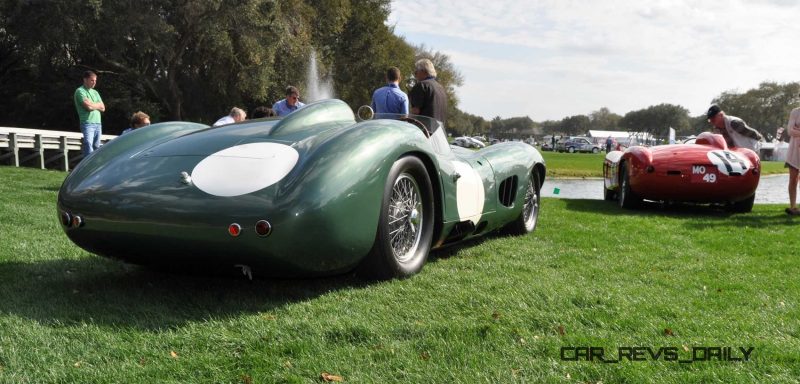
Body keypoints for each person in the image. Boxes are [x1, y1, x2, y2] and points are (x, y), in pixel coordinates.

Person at [74, 70, 106, 156]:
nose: (94, 82)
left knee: (96, 146)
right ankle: (88, 167)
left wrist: (92, 104)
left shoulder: (95, 92)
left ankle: (94, 167)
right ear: (85, 80)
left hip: (98, 123)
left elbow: (103, 108)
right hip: (87, 123)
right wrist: (96, 105)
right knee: (88, 144)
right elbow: (88, 107)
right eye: (92, 80)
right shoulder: (80, 91)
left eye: (95, 80)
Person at [409, 58, 448, 126]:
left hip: (425, 131)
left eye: (416, 71)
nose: (415, 74)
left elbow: (415, 112)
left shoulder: (421, 86)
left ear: (424, 71)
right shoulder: (441, 88)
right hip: (439, 132)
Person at [784, 106, 800, 215]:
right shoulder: (795, 112)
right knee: (793, 179)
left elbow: (794, 130)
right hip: (794, 150)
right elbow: (790, 131)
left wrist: (797, 129)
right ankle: (793, 206)